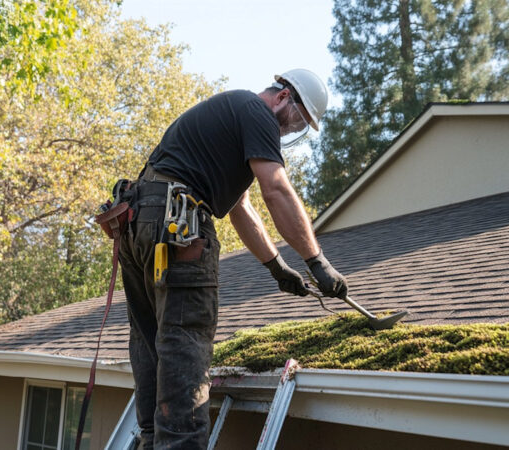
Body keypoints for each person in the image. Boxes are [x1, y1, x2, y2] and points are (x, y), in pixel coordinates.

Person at [118, 69, 349, 449]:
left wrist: (277, 267)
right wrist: (316, 261)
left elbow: (241, 207)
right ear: (282, 97)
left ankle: (150, 439)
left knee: (150, 340)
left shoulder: (229, 116)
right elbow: (275, 189)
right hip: (177, 226)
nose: (289, 133)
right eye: (295, 122)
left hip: (140, 222)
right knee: (184, 340)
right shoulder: (256, 112)